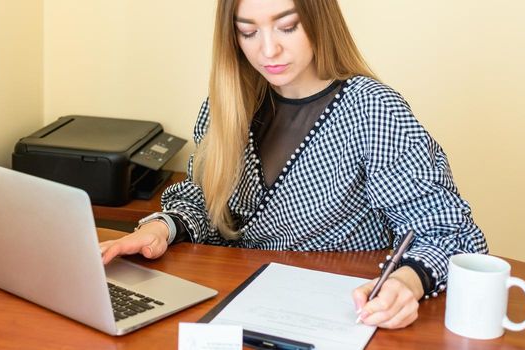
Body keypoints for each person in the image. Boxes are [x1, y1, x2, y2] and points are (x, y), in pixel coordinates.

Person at [100, 0, 487, 329]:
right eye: (248, 32)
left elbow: (452, 235)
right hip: (239, 308)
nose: (268, 50)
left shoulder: (371, 109)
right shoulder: (229, 106)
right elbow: (203, 203)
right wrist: (159, 228)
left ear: (319, 20)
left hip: (342, 318)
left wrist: (407, 281)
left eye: (287, 27)